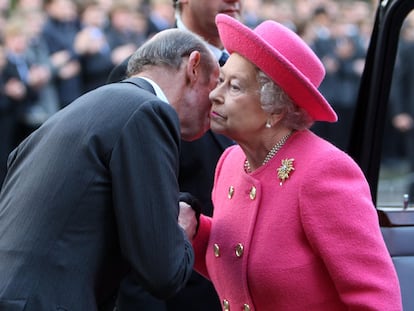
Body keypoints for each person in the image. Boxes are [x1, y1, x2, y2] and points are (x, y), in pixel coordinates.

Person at [180, 14, 403, 310]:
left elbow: (376, 299)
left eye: (234, 87)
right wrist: (194, 231)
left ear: (276, 109)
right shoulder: (231, 162)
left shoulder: (325, 171)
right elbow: (238, 261)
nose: (215, 96)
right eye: (221, 81)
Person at [0, 28, 219, 310]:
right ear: (193, 66)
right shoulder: (148, 110)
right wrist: (183, 225)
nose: (216, 105)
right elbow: (164, 272)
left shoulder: (84, 108)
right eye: (214, 86)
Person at [109, 1, 241, 310]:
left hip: (237, 284)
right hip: (173, 289)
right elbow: (128, 211)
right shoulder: (141, 75)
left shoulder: (247, 69)